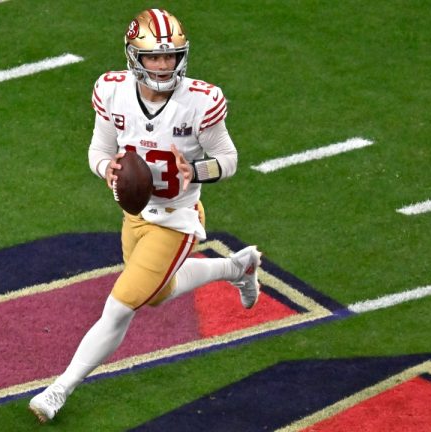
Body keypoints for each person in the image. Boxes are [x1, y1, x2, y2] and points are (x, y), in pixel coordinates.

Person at [29, 8, 262, 423]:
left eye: (170, 56)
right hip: (134, 213)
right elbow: (98, 152)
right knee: (155, 293)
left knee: (120, 306)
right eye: (154, 56)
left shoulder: (200, 101)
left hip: (177, 219)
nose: (163, 64)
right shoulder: (113, 91)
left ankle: (59, 388)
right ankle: (237, 267)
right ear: (134, 57)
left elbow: (228, 159)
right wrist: (109, 170)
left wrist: (197, 170)